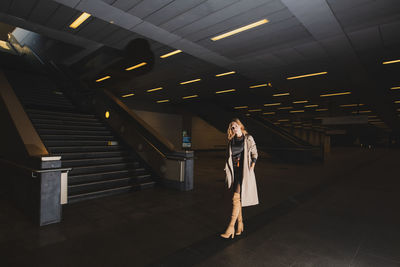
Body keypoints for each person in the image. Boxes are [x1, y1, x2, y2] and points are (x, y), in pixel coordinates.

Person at [221, 118, 259, 239]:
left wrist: (252, 166)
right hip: (235, 171)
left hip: (245, 172)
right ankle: (240, 224)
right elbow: (229, 156)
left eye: (236, 126)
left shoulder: (248, 138)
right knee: (238, 200)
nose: (234, 128)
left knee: (235, 198)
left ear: (240, 126)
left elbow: (255, 153)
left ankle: (230, 227)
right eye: (232, 127)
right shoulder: (231, 141)